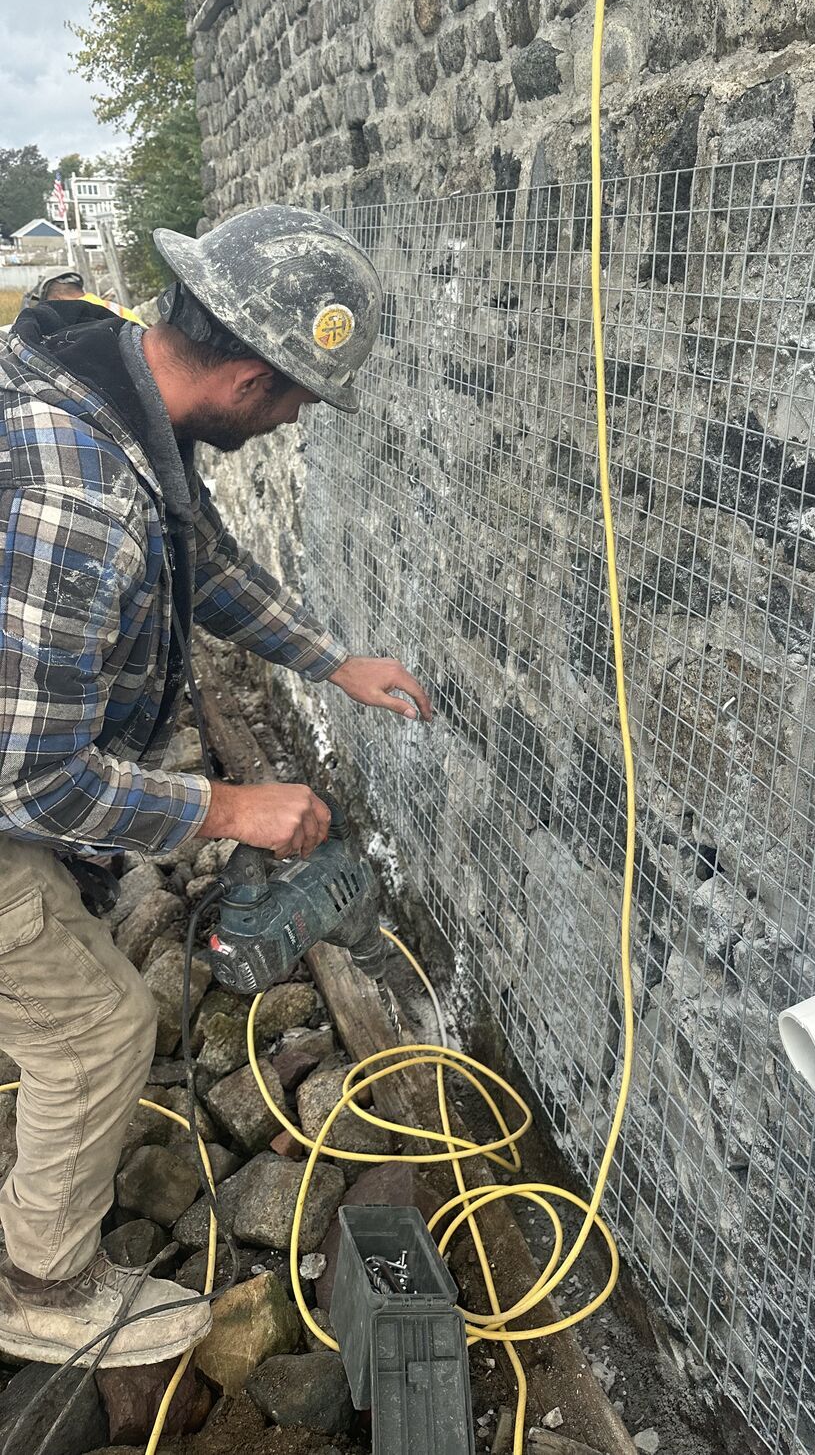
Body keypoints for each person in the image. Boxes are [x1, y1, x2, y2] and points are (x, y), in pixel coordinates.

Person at [0, 204, 431, 1368]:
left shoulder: (111, 389)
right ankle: (41, 1287)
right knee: (97, 1031)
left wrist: (330, 660)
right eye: (295, 398)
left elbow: (198, 560)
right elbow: (36, 781)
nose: (293, 420)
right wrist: (231, 809)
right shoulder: (78, 495)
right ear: (247, 376)